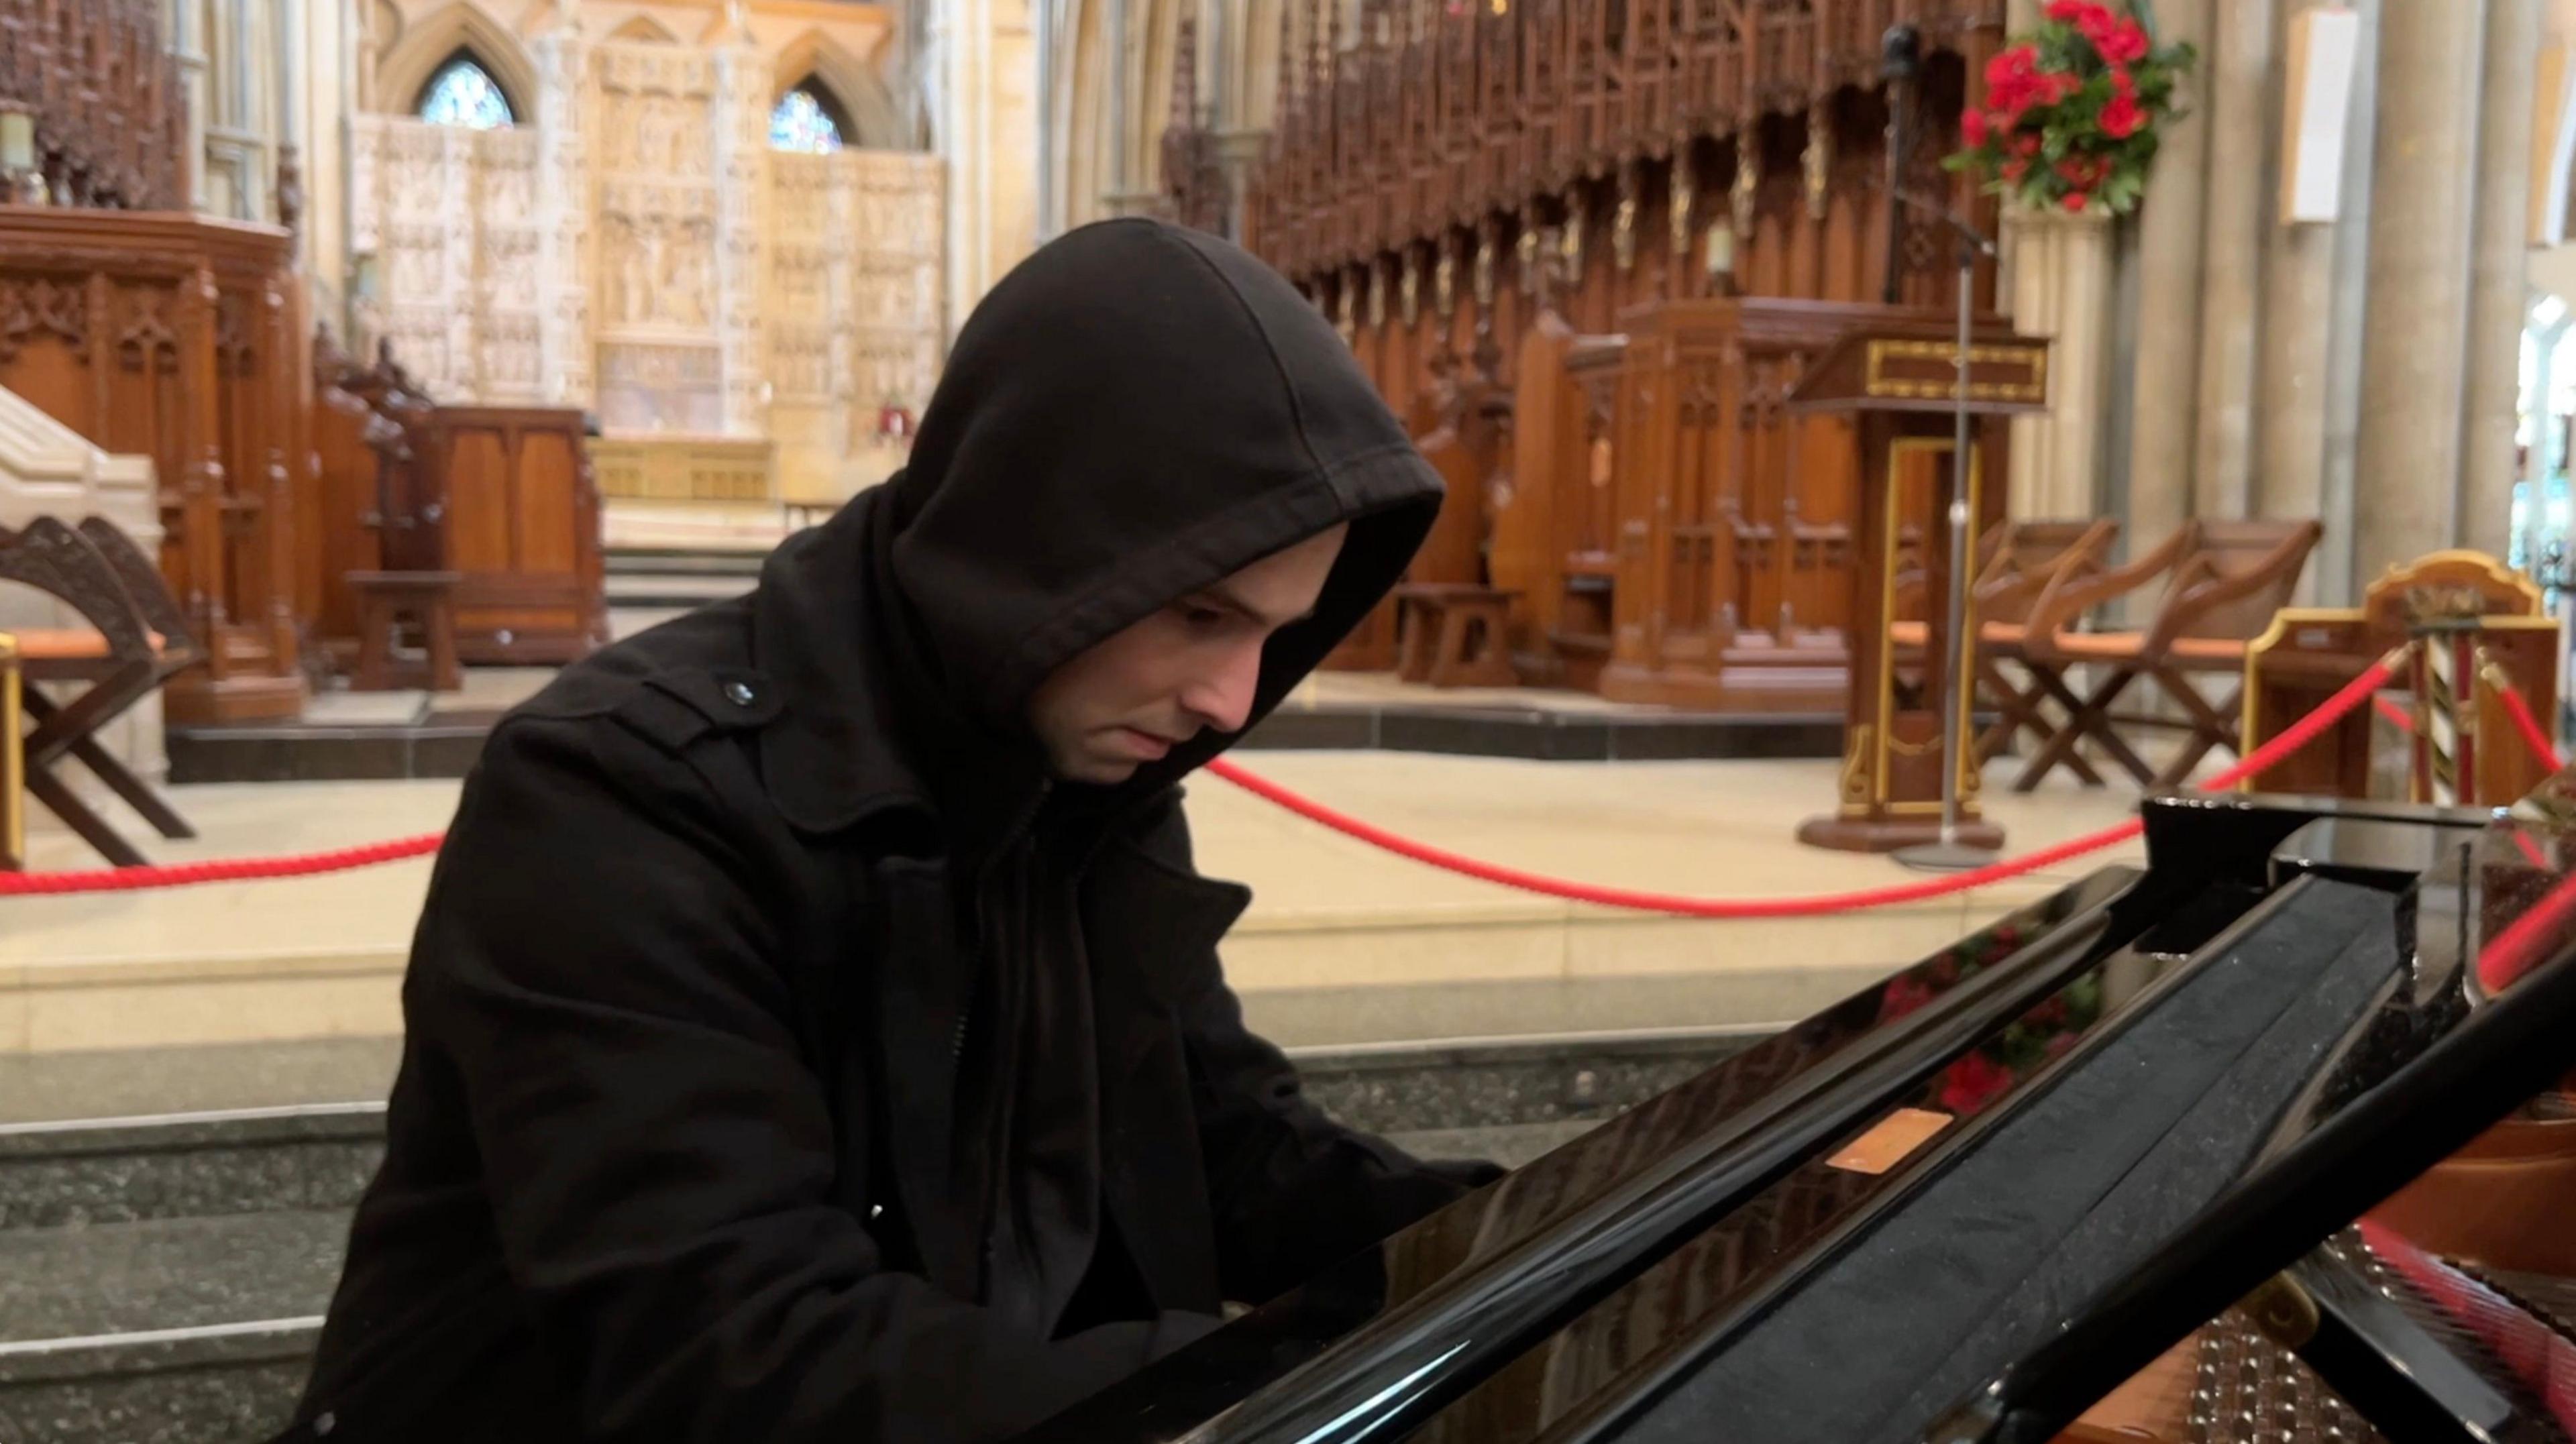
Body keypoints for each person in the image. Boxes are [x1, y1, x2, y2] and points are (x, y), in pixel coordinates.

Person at [279, 217, 1497, 1443]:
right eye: (1197, 613)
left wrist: (1544, 1233)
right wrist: (1258, 1390)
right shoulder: (620, 794)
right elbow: (732, 1351)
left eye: (1272, 637)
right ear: (1044, 542)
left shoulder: (1089, 761)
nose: (1231, 700)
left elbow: (1224, 1142)